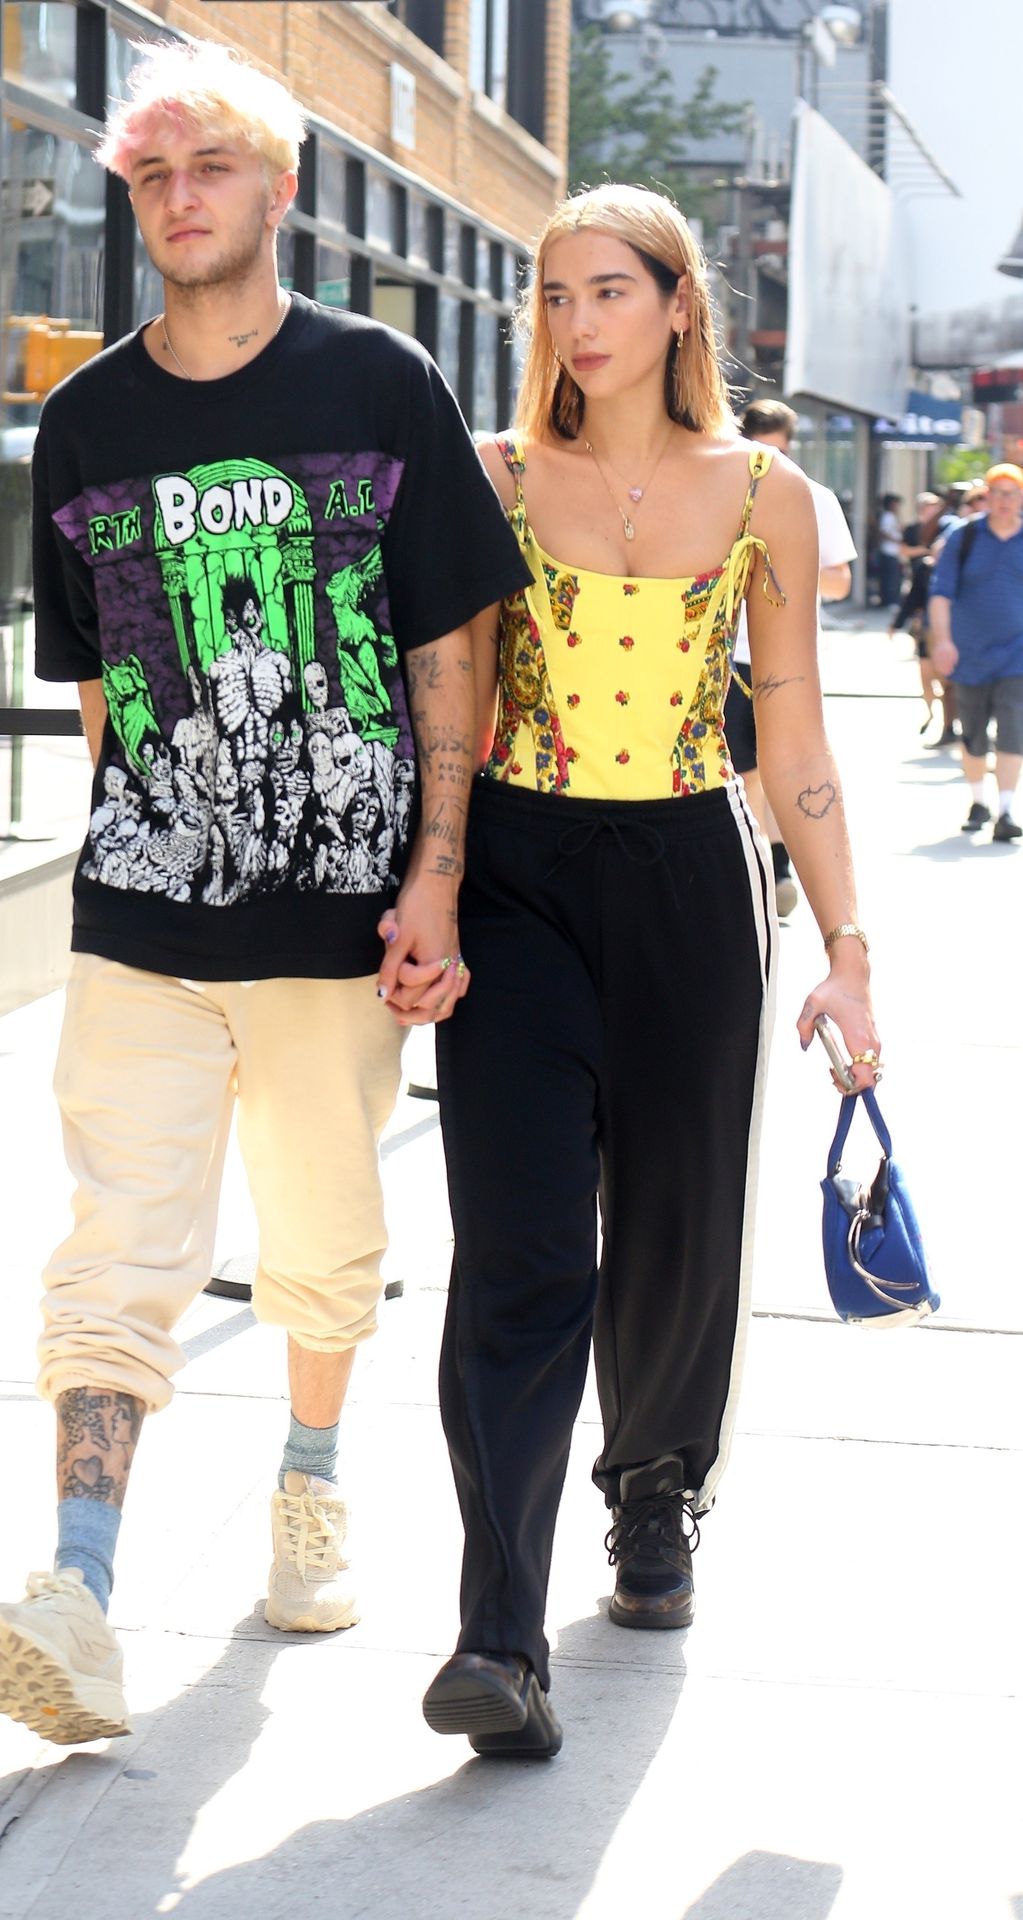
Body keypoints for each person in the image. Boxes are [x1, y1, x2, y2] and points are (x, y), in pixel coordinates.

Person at [0, 39, 529, 1747]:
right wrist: (154, 835)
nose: (176, 196)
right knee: (113, 1249)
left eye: (206, 166)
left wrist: (434, 880)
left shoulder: (378, 382)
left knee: (323, 1235)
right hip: (142, 914)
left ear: (278, 191)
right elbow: (99, 689)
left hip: (336, 918)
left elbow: (451, 649)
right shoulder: (85, 419)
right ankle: (75, 1589)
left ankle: (309, 1483)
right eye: (150, 174)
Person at [419, 185, 880, 1760]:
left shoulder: (765, 496)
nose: (575, 323)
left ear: (678, 303)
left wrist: (846, 951)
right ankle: (495, 1633)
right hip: (517, 876)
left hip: (690, 875)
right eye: (552, 297)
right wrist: (432, 889)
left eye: (606, 290)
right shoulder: (490, 480)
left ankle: (652, 1495)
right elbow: (453, 709)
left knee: (678, 1229)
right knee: (519, 1247)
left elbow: (791, 733)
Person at [726, 398, 857, 918]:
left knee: (782, 764)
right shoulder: (722, 490)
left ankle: (775, 867)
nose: (770, 462)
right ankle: (762, 870)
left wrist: (786, 563)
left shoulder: (813, 496)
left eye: (779, 451)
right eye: (761, 450)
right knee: (747, 771)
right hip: (729, 655)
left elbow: (841, 582)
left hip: (791, 656)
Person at [928, 462, 1023, 843]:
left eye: (1011, 494)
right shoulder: (964, 537)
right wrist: (943, 641)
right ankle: (979, 802)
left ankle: (1006, 810)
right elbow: (940, 594)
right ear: (987, 496)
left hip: (1016, 656)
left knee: (1013, 731)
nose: (1004, 501)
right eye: (996, 493)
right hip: (969, 655)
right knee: (973, 734)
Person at [890, 490, 953, 742]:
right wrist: (896, 623)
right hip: (923, 614)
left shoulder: (950, 531)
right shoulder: (917, 537)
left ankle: (948, 724)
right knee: (925, 672)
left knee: (946, 680)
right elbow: (913, 591)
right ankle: (932, 713)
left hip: (948, 622)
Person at [875, 492, 904, 607]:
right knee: (890, 578)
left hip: (893, 552)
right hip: (888, 551)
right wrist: (897, 540)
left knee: (893, 577)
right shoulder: (887, 516)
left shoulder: (892, 516)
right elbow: (884, 532)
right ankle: (889, 601)